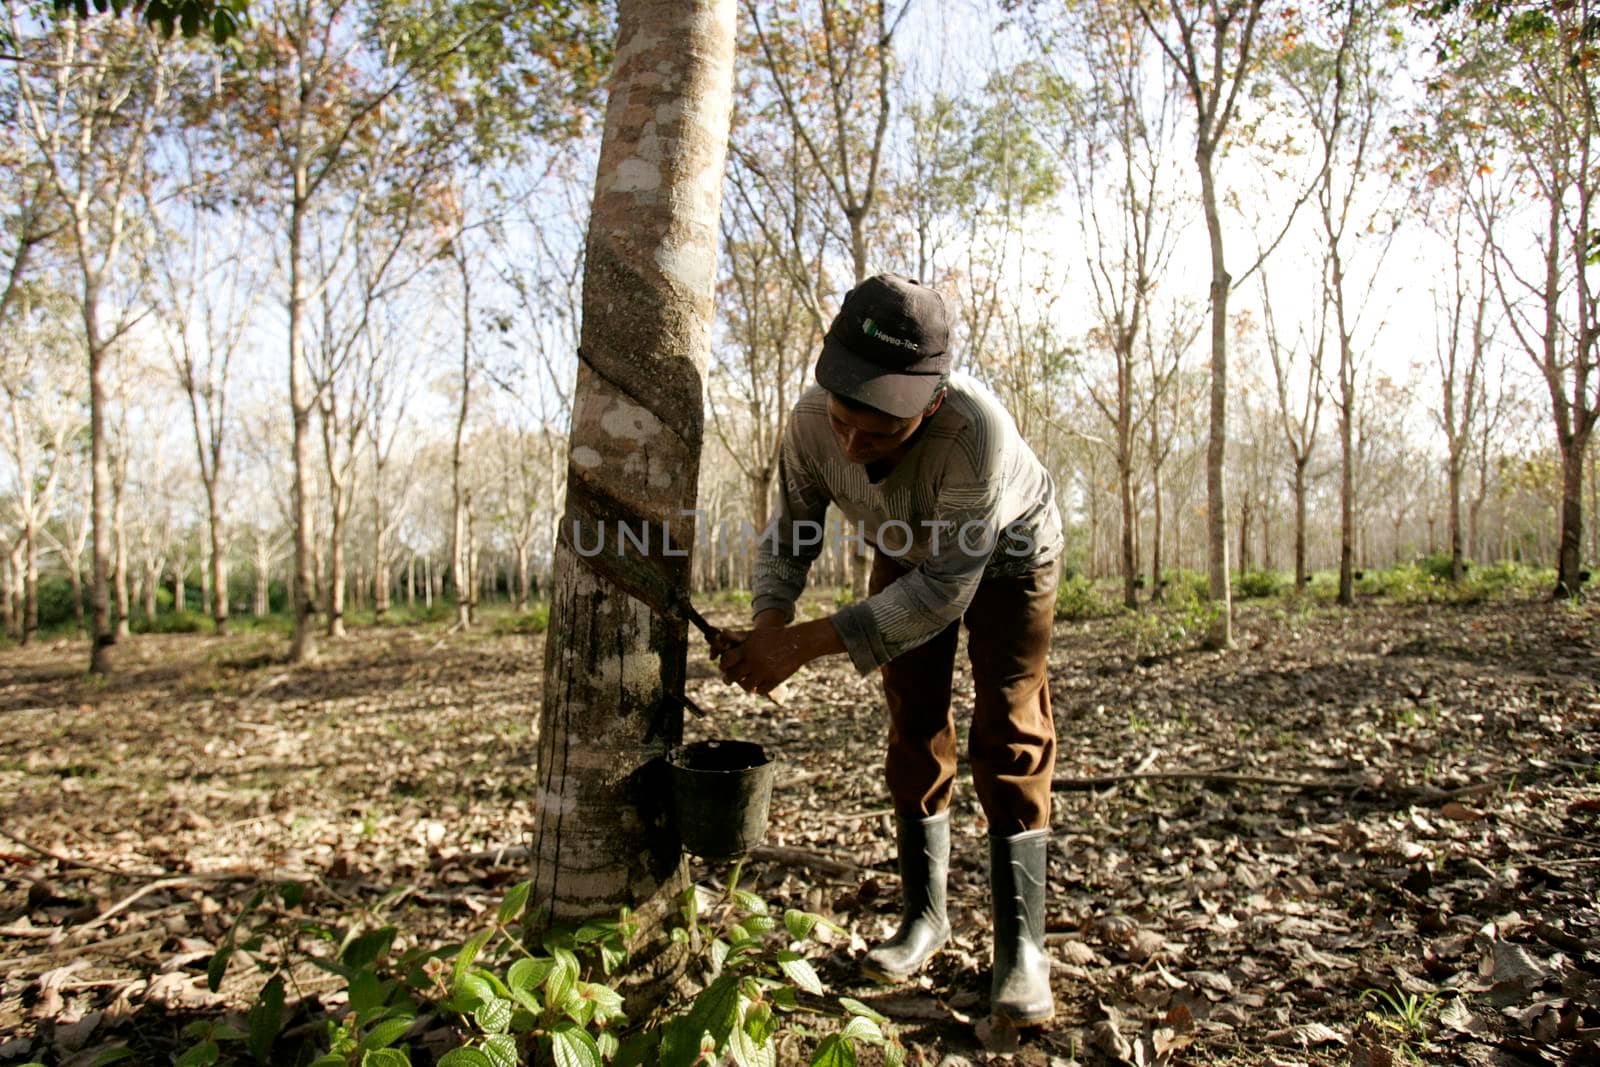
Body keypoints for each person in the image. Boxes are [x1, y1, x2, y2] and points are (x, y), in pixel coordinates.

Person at [714, 273, 1063, 1026]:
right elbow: (795, 528)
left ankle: (1023, 948)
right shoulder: (810, 424)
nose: (851, 442)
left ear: (930, 402)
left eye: (878, 433)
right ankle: (924, 917)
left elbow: (943, 595)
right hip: (904, 549)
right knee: (912, 719)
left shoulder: (976, 434)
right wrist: (771, 624)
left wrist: (805, 646)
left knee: (1008, 724)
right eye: (844, 419)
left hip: (1006, 556)